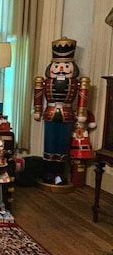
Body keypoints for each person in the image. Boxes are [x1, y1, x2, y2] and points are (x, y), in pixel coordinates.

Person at [33, 37, 90, 184]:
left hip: (67, 114)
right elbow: (38, 95)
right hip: (50, 113)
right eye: (58, 65)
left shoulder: (76, 82)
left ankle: (59, 173)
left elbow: (83, 95)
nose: (62, 68)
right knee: (49, 143)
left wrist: (82, 113)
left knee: (62, 144)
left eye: (66, 65)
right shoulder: (45, 81)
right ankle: (48, 172)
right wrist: (37, 110)